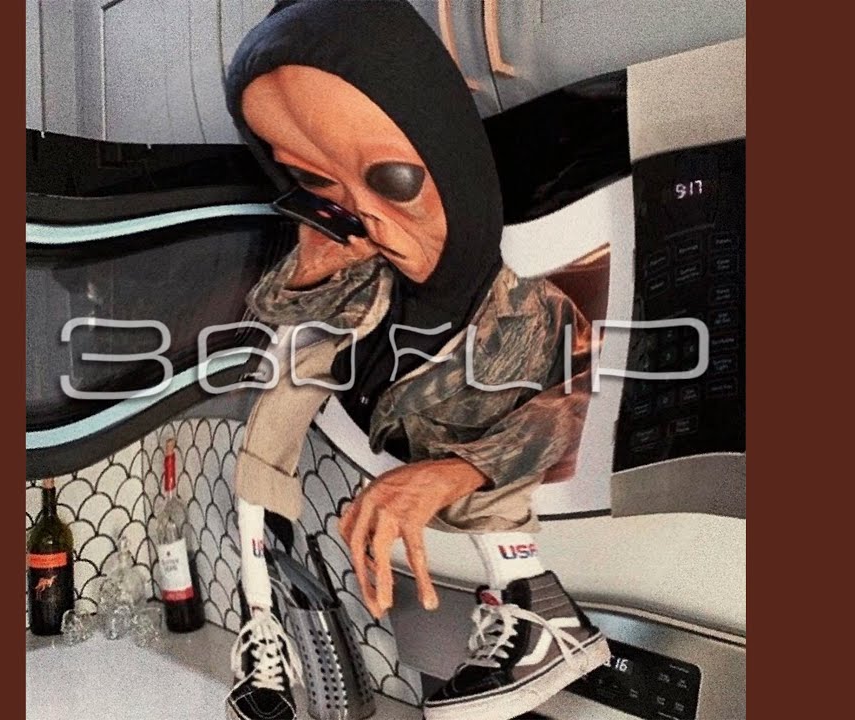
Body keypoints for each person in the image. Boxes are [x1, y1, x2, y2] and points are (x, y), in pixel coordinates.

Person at [221, 2, 611, 719]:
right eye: (316, 180)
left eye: (393, 180)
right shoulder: (364, 271)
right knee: (283, 378)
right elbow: (274, 310)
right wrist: (311, 265)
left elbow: (567, 409)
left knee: (482, 410)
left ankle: (539, 608)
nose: (366, 216)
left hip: (453, 448)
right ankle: (260, 616)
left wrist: (453, 472)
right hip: (369, 409)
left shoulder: (520, 308)